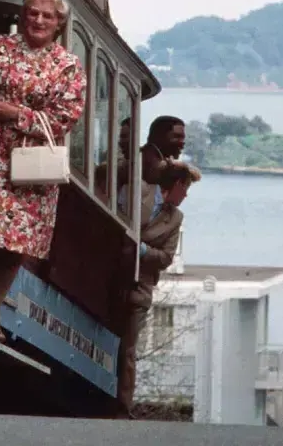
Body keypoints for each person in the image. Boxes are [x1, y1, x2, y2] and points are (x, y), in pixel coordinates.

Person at [0, 0, 86, 344]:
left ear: (59, 24)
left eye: (47, 16)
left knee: (13, 242)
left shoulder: (67, 65)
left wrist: (15, 113)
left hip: (32, 164)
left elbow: (65, 118)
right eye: (33, 13)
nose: (38, 20)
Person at [114, 161, 201, 419]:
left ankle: (122, 406)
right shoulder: (137, 191)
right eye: (185, 189)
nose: (185, 196)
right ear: (176, 185)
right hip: (111, 276)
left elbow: (165, 257)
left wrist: (141, 250)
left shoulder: (175, 218)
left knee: (128, 349)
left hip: (140, 286)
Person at [139, 116, 185, 225]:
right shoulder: (147, 158)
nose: (182, 143)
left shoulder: (153, 156)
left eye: (183, 138)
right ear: (160, 137)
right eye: (177, 137)